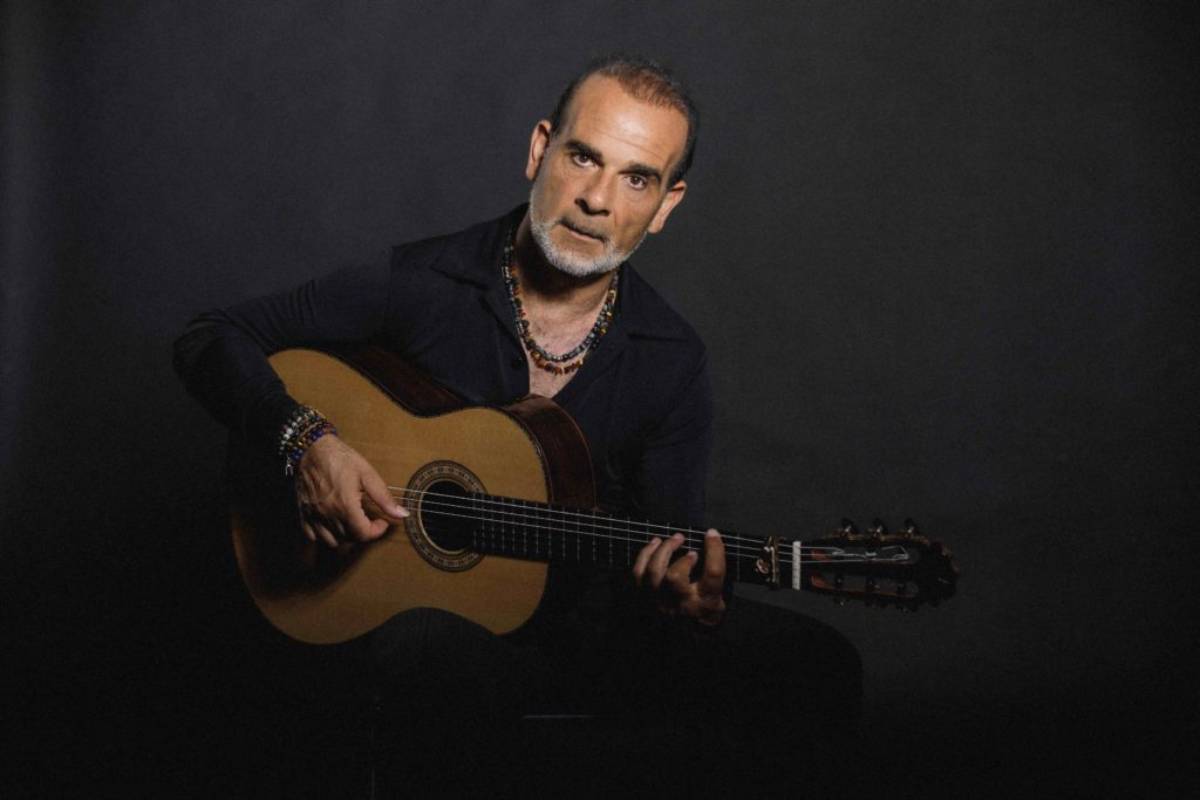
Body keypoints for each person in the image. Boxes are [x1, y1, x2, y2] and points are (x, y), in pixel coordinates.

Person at [175, 54, 860, 792]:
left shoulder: (673, 358)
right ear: (541, 149)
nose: (598, 199)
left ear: (666, 205)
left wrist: (687, 603)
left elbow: (673, 544)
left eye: (637, 178)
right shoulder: (422, 283)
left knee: (816, 663)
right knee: (430, 653)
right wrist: (306, 443)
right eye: (583, 156)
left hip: (592, 637)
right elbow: (210, 337)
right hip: (430, 631)